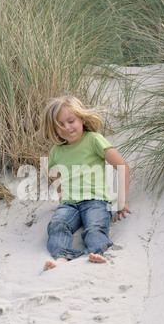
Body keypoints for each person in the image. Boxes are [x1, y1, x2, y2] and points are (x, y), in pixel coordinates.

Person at [41, 95, 130, 271]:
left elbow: (122, 166)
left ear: (82, 118)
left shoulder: (93, 139)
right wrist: (61, 203)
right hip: (70, 204)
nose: (67, 127)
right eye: (60, 125)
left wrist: (122, 201)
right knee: (57, 225)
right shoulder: (56, 151)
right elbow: (57, 177)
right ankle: (61, 257)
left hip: (96, 200)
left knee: (94, 227)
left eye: (71, 121)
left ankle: (98, 252)